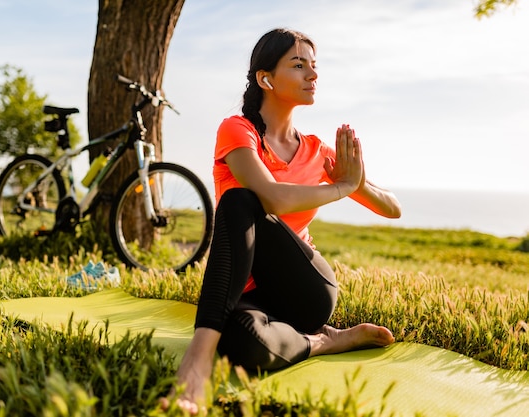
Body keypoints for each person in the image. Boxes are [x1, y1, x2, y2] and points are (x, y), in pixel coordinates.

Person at [162, 28, 401, 414]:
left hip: (304, 290)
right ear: (266, 78)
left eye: (314, 65)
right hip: (247, 295)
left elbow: (392, 208)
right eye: (298, 65)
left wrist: (355, 181)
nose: (313, 74)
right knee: (241, 344)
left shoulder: (316, 151)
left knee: (240, 200)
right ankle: (326, 342)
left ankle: (196, 362)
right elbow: (272, 196)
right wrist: (340, 188)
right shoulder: (238, 131)